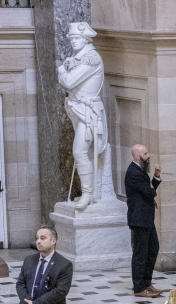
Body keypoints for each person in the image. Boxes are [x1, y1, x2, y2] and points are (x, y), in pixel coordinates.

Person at [57, 22, 115, 208]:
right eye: (71, 38)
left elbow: (68, 82)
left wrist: (62, 69)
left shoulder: (91, 59)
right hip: (78, 110)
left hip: (89, 113)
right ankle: (88, 192)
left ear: (85, 39)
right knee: (84, 153)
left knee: (79, 151)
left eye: (76, 38)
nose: (73, 41)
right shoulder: (79, 57)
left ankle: (88, 194)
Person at [125, 144, 163, 298]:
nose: (148, 156)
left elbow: (149, 190)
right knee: (140, 253)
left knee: (153, 248)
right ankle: (139, 288)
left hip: (146, 219)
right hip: (139, 219)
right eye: (145, 154)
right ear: (137, 156)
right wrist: (151, 187)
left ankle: (147, 283)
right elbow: (149, 192)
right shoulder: (133, 173)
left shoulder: (140, 170)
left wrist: (156, 177)